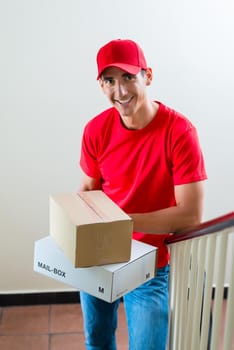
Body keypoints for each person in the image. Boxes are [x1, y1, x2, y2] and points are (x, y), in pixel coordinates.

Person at [78, 38, 207, 350]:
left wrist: (121, 222)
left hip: (151, 263)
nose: (120, 92)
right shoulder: (95, 130)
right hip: (100, 254)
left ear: (147, 76)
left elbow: (190, 214)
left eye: (128, 78)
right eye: (109, 81)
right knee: (97, 341)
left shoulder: (179, 132)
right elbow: (87, 189)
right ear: (100, 85)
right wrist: (73, 224)